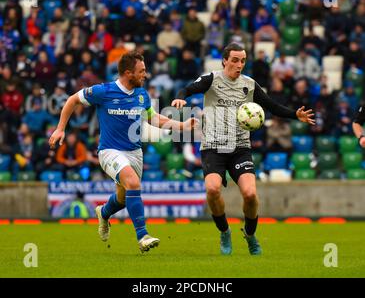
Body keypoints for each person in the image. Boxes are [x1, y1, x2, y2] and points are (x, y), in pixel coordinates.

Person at [171, 43, 315, 256]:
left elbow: (272, 106)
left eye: (243, 61)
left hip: (240, 148)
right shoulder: (212, 79)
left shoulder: (249, 84)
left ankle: (250, 235)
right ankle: (224, 232)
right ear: (224, 61)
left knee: (249, 194)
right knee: (212, 189)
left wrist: (296, 115)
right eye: (235, 60)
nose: (239, 65)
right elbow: (188, 89)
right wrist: (181, 96)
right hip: (213, 147)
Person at [49, 51, 197, 253]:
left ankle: (104, 212)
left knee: (122, 198)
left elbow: (153, 119)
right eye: (142, 71)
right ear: (128, 73)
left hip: (135, 153)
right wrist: (60, 128)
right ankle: (142, 235)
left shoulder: (142, 94)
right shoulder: (104, 91)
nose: (145, 74)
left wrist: (182, 125)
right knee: (133, 183)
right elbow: (73, 100)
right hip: (109, 151)